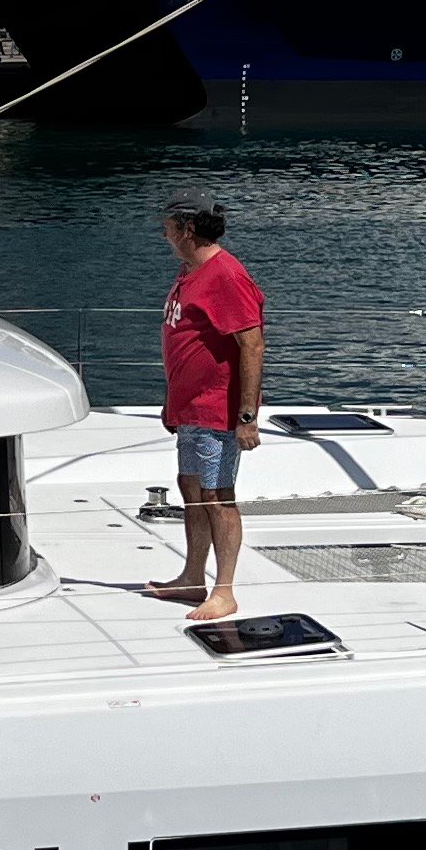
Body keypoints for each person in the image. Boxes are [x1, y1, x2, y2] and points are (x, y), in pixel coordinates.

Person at [148, 194, 264, 621]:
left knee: (218, 496)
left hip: (218, 410)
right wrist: (172, 400)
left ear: (186, 230)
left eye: (168, 226)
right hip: (190, 408)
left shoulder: (225, 276)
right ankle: (192, 576)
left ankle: (224, 590)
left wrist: (247, 418)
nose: (163, 233)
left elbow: (251, 345)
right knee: (192, 491)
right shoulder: (190, 270)